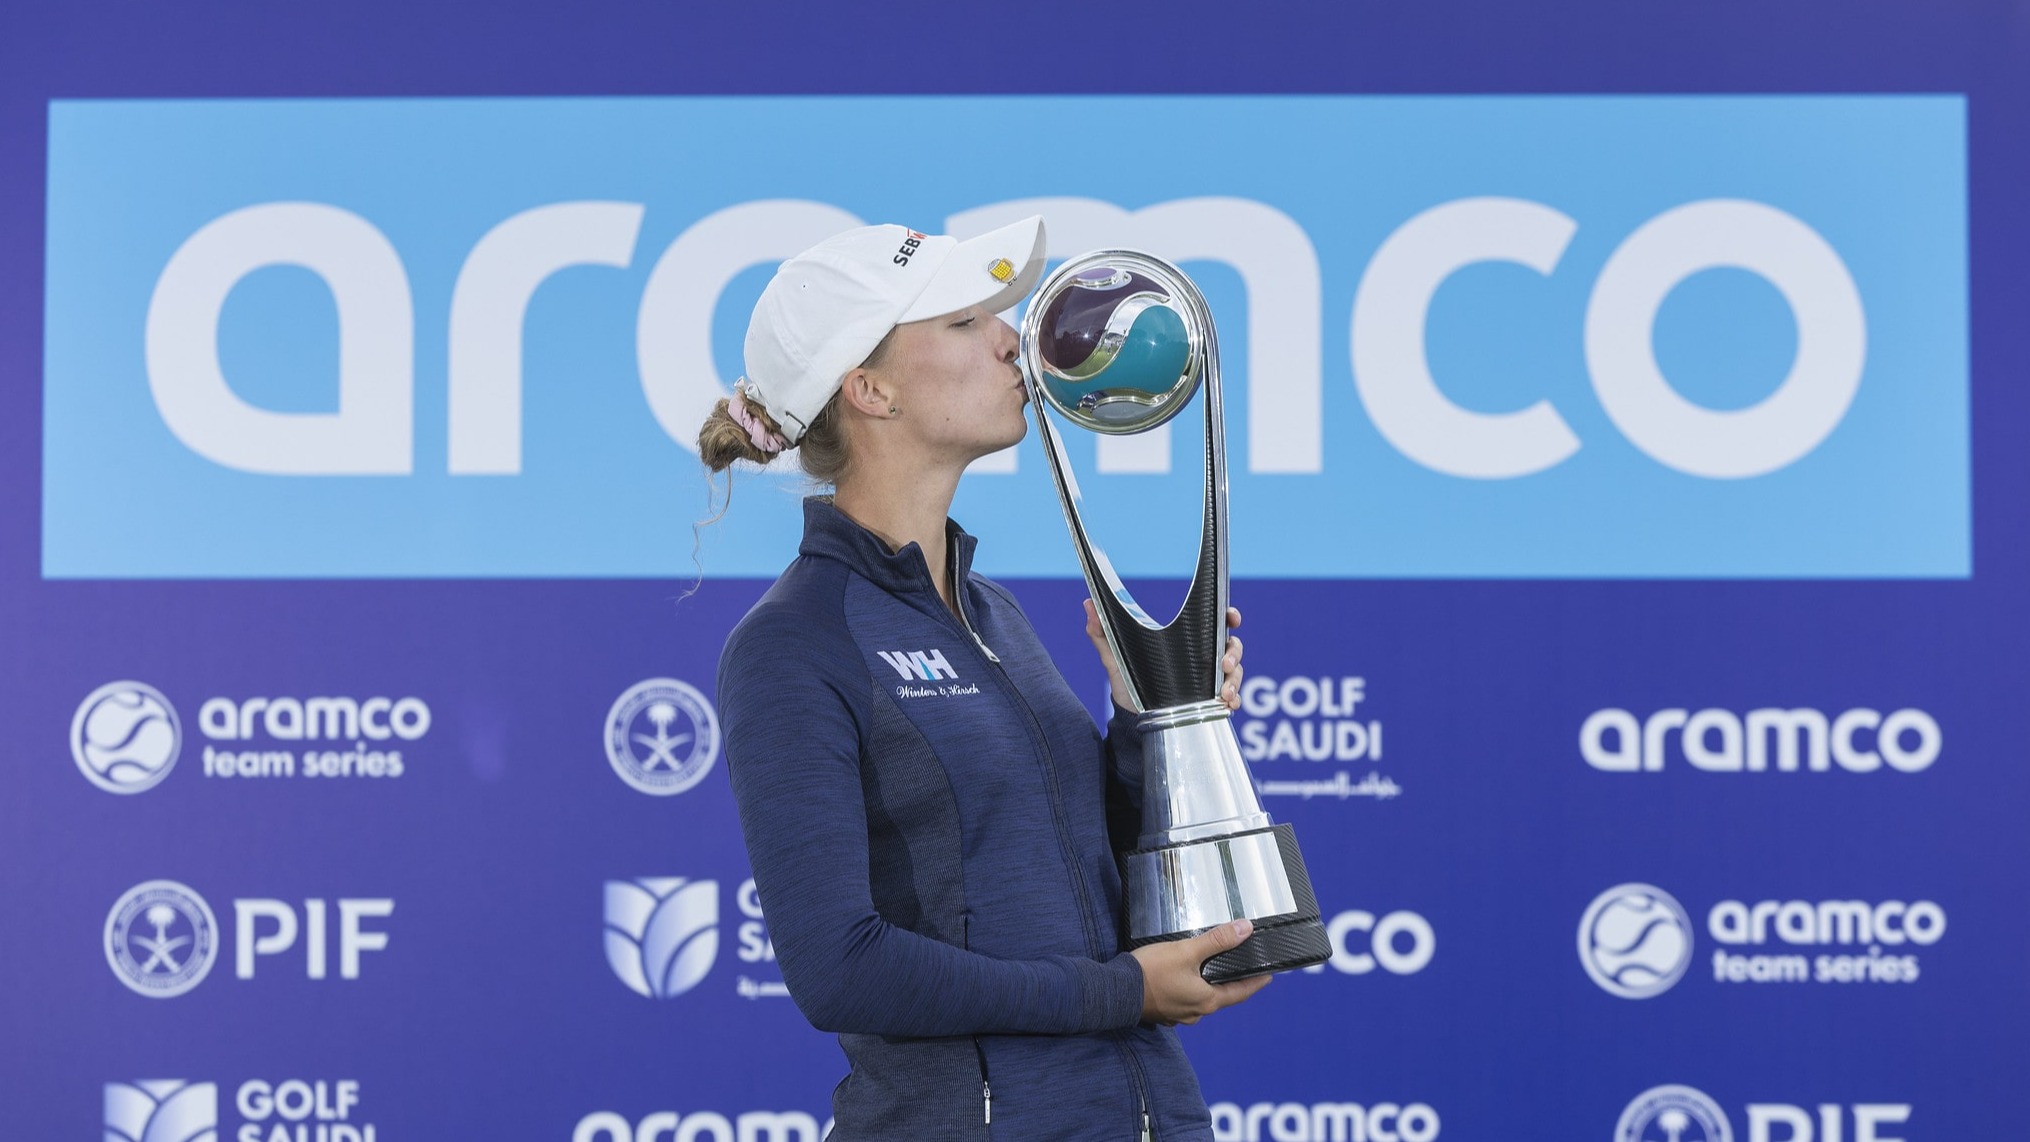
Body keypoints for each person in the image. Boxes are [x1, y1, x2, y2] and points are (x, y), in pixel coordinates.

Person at [697, 216, 1267, 1141]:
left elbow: (1091, 890)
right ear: (870, 389)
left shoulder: (995, 611)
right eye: (964, 323)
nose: (1014, 339)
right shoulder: (793, 643)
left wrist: (1146, 720)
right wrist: (1122, 992)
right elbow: (841, 966)